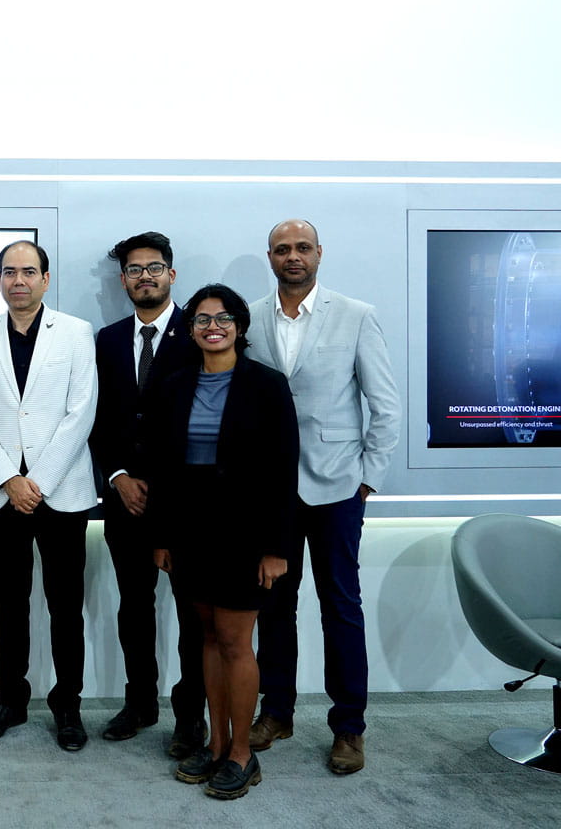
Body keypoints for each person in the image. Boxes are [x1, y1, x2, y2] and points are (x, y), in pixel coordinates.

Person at [242, 219, 401, 775]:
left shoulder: (356, 315)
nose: (293, 257)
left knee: (340, 607)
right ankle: (277, 712)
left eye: (302, 248)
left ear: (319, 254)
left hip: (337, 486)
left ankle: (349, 728)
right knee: (274, 608)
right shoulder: (251, 318)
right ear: (269, 256)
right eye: (283, 249)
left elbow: (385, 404)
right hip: (271, 491)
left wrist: (368, 478)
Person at [142, 283, 299, 799]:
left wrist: (277, 547)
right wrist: (161, 537)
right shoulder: (173, 385)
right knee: (206, 639)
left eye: (224, 317)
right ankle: (215, 746)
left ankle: (241, 754)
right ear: (190, 330)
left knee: (235, 641)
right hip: (189, 530)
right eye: (203, 319)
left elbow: (282, 469)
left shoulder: (267, 385)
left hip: (245, 533)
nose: (214, 326)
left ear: (240, 327)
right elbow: (162, 469)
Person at [0, 240, 99, 751]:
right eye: (8, 272)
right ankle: (10, 702)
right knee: (8, 605)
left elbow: (81, 413)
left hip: (59, 494)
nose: (18, 280)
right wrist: (9, 480)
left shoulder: (76, 333)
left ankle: (68, 708)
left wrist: (35, 480)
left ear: (45, 278)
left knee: (66, 607)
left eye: (28, 272)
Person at [87, 232, 209, 758]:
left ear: (172, 275)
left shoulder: (201, 333)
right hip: (123, 499)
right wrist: (116, 475)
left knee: (191, 614)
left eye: (154, 267)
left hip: (184, 503)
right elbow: (98, 419)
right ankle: (140, 704)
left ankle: (189, 717)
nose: (145, 277)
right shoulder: (108, 340)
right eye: (135, 269)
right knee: (133, 608)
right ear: (123, 281)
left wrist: (161, 485)